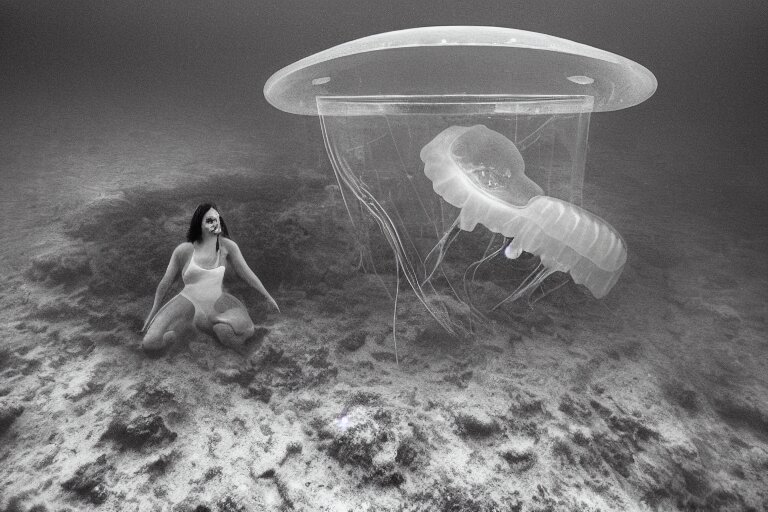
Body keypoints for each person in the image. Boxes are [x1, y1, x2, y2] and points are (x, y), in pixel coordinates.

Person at [141, 203, 279, 352]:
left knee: (234, 331)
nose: (216, 223)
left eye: (217, 219)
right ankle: (181, 332)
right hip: (186, 301)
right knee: (150, 342)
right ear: (198, 224)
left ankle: (210, 330)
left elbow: (248, 274)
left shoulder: (227, 246)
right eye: (209, 220)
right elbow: (164, 284)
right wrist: (152, 314)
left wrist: (268, 296)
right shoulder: (183, 250)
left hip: (216, 302)